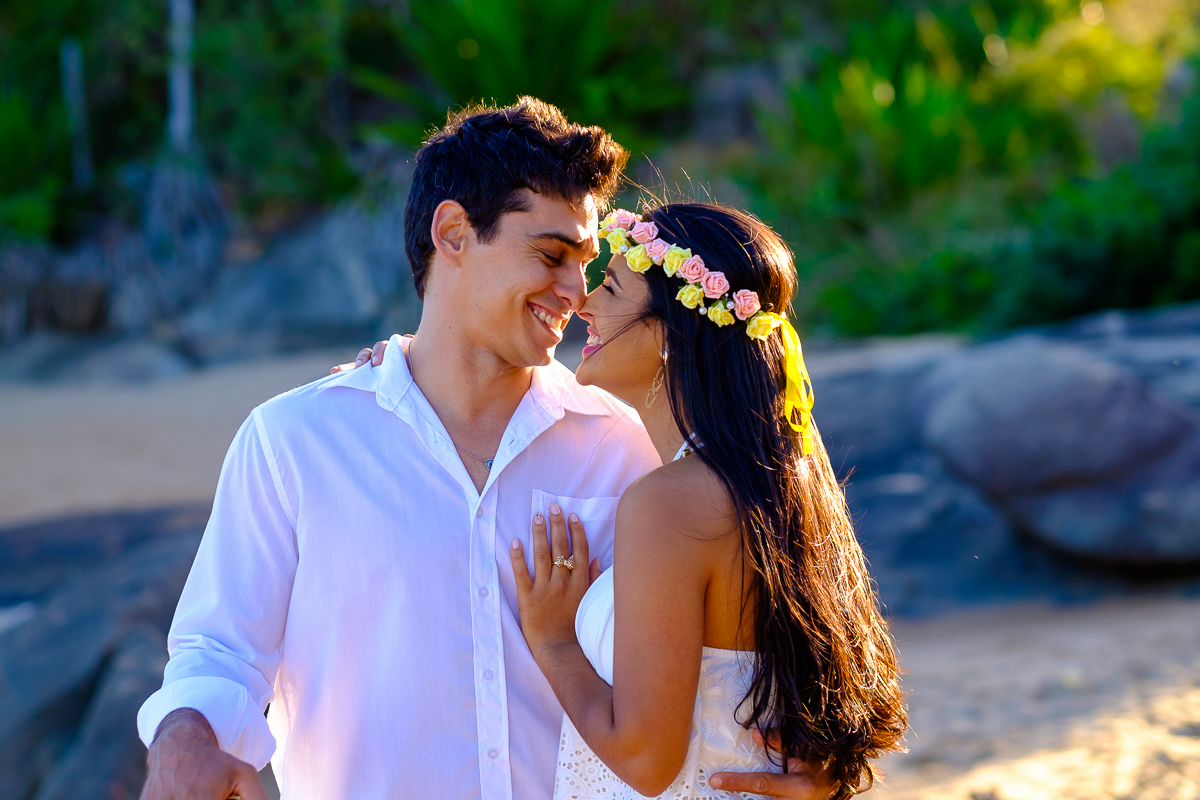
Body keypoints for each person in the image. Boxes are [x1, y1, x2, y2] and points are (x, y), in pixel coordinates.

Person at [136, 98, 835, 800]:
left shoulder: (629, 445)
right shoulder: (295, 441)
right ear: (453, 233)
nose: (577, 293)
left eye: (587, 264)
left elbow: (760, 609)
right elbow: (219, 651)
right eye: (552, 255)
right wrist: (181, 741)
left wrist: (823, 753)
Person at [361, 203, 908, 799]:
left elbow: (646, 761)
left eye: (612, 288)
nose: (585, 303)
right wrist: (404, 365)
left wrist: (555, 642)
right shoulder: (767, 480)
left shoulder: (671, 503)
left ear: (671, 331)